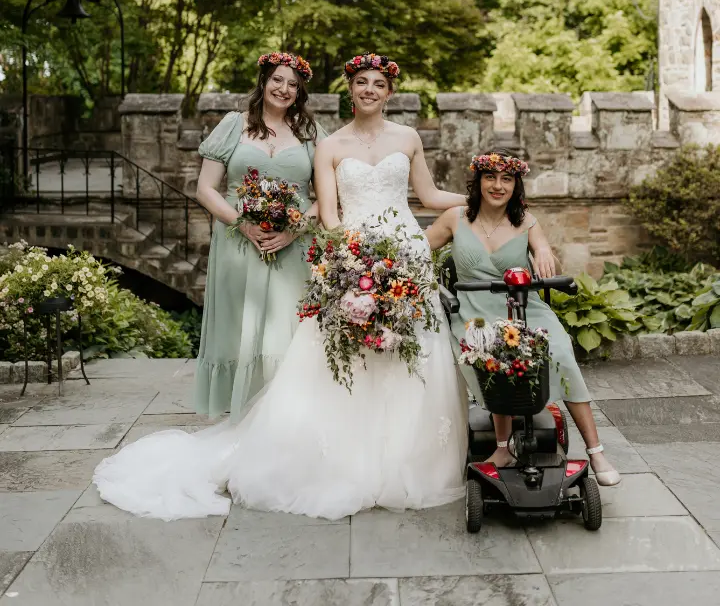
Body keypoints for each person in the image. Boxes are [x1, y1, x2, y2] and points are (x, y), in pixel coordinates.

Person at [93, 52, 468, 520]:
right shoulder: (328, 144)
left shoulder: (384, 137)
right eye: (361, 82)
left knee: (411, 353)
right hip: (349, 253)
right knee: (343, 351)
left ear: (389, 92)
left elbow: (429, 197)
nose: (369, 90)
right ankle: (331, 450)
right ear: (349, 90)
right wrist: (351, 257)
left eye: (379, 84)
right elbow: (328, 210)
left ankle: (410, 456)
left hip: (406, 251)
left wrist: (491, 196)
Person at [425, 149, 621, 487]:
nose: (498, 186)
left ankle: (596, 450)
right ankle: (503, 448)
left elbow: (546, 256)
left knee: (559, 352)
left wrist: (544, 250)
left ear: (517, 185)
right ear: (479, 181)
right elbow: (417, 249)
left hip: (523, 305)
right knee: (490, 353)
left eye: (507, 179)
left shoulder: (527, 221)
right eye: (490, 177)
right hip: (475, 311)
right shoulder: (455, 218)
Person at [193, 50, 323, 419]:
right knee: (240, 326)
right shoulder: (234, 124)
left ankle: (284, 419)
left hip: (293, 248)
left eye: (293, 85)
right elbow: (205, 189)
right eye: (277, 80)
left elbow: (332, 196)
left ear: (300, 93)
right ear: (264, 81)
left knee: (288, 329)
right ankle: (240, 416)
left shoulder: (310, 133)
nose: (284, 89)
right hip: (238, 244)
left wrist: (295, 230)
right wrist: (242, 224)